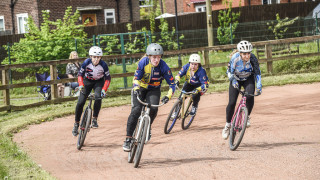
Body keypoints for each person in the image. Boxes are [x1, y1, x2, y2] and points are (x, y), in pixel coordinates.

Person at [122, 43, 175, 152]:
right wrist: (136, 87)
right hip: (140, 88)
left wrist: (168, 96)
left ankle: (147, 127)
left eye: (159, 57)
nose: (156, 60)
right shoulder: (143, 63)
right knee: (136, 111)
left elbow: (172, 84)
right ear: (149, 56)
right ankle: (128, 139)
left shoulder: (163, 66)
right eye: (154, 57)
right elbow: (136, 78)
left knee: (154, 108)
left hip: (154, 89)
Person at [222, 40, 262, 140]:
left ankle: (247, 116)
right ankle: (227, 125)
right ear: (240, 53)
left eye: (248, 53)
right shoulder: (235, 58)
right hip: (235, 79)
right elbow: (229, 72)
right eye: (244, 54)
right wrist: (233, 80)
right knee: (231, 103)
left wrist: (259, 84)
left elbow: (257, 72)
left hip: (248, 78)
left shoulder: (253, 58)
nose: (247, 56)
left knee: (249, 95)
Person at [72, 46, 111, 136]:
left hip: (98, 82)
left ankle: (94, 119)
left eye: (98, 57)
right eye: (94, 57)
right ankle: (76, 123)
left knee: (98, 97)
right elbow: (80, 75)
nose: (96, 59)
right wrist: (81, 85)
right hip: (87, 81)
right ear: (90, 56)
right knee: (80, 102)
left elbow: (108, 78)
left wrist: (104, 89)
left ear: (101, 57)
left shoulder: (103, 65)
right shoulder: (86, 62)